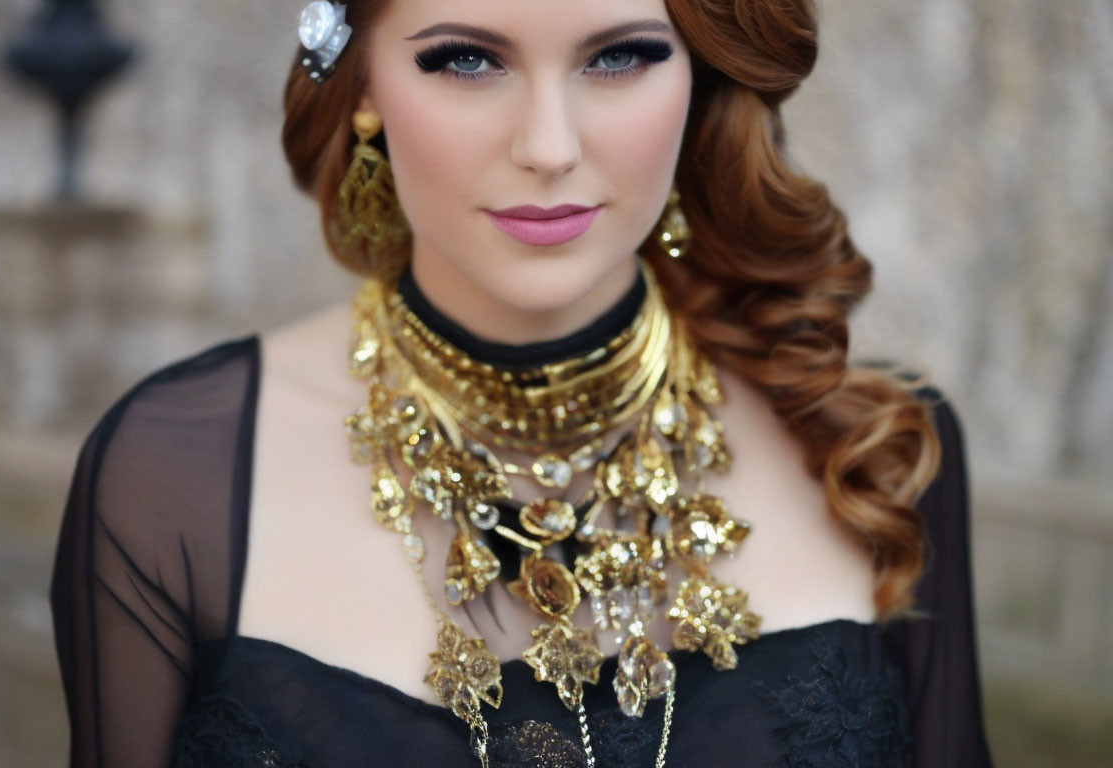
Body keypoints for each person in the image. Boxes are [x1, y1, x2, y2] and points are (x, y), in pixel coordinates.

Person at [49, 0, 995, 765]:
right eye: (466, 59)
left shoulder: (872, 445)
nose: (549, 146)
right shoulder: (174, 477)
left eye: (619, 55)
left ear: (701, 73)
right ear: (365, 81)